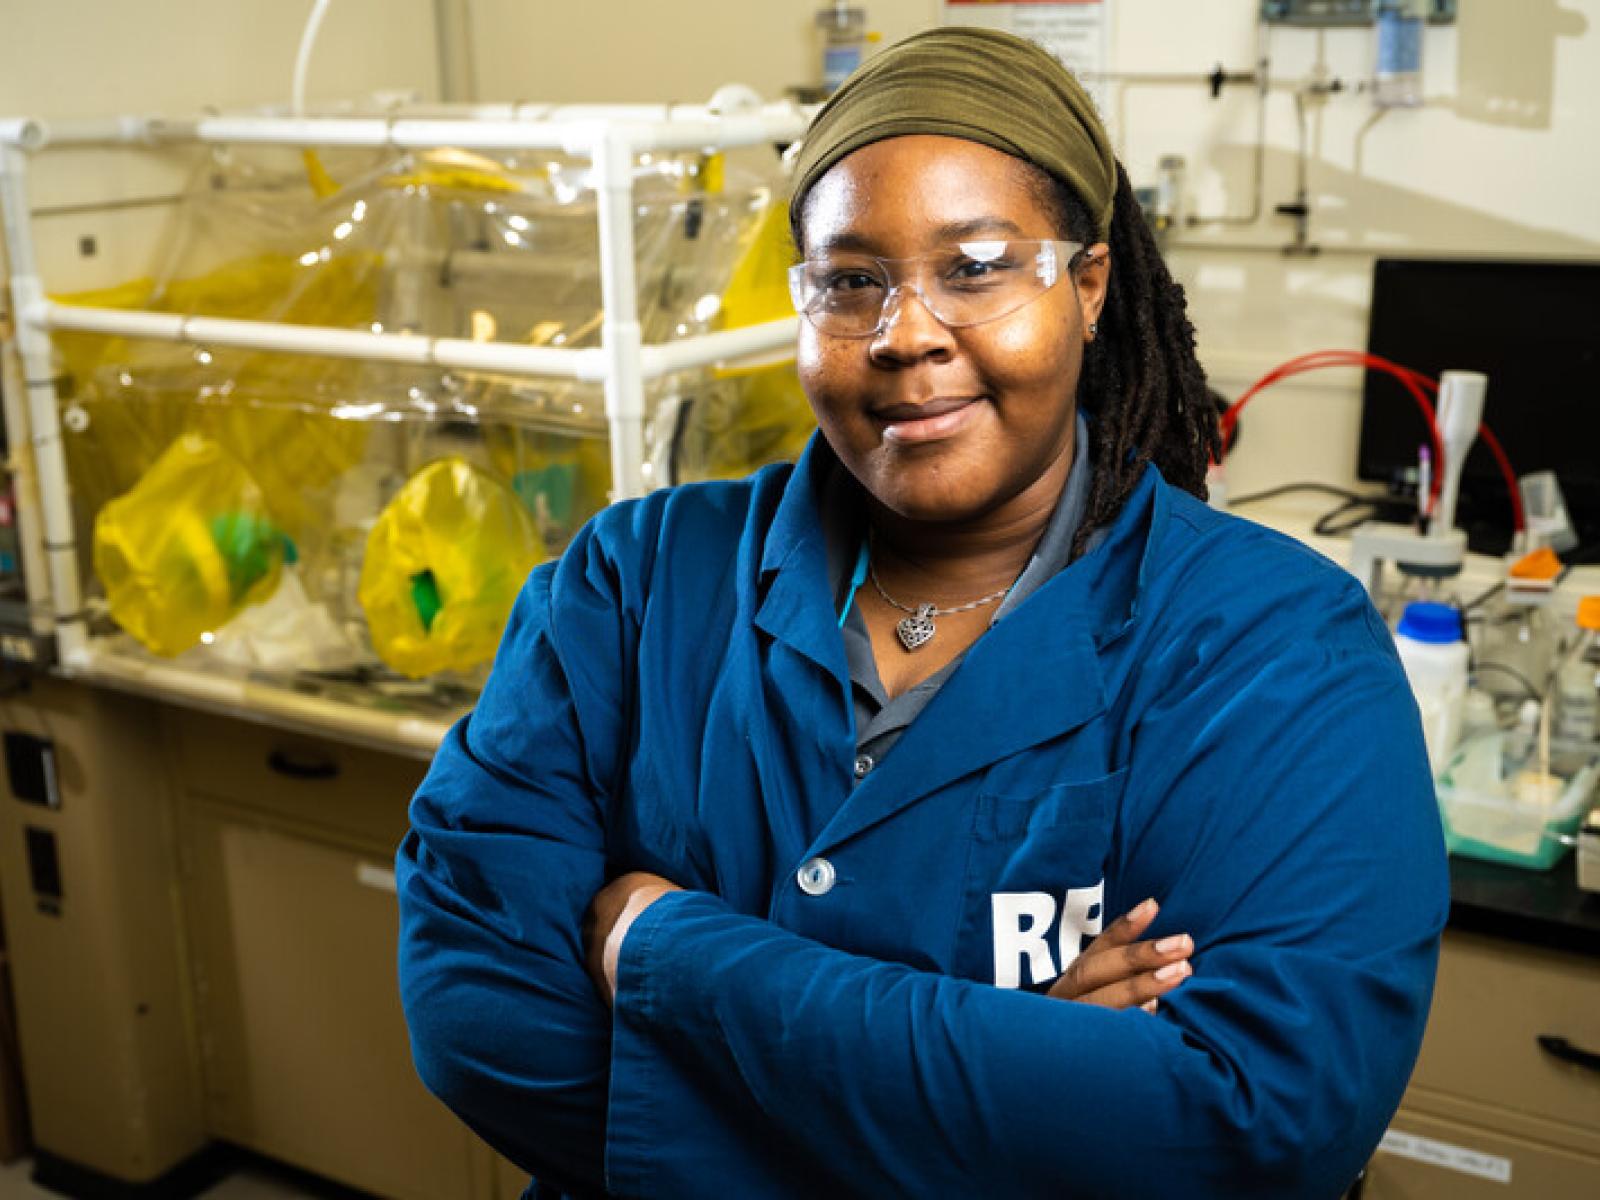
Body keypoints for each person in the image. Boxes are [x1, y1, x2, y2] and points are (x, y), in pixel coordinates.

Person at [397, 26, 1447, 1199]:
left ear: (1087, 288)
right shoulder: (631, 583)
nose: (905, 334)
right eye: (850, 282)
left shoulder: (1274, 649)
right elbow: (473, 1014)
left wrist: (659, 950)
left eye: (977, 265)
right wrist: (1011, 1085)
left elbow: (1246, 1124)